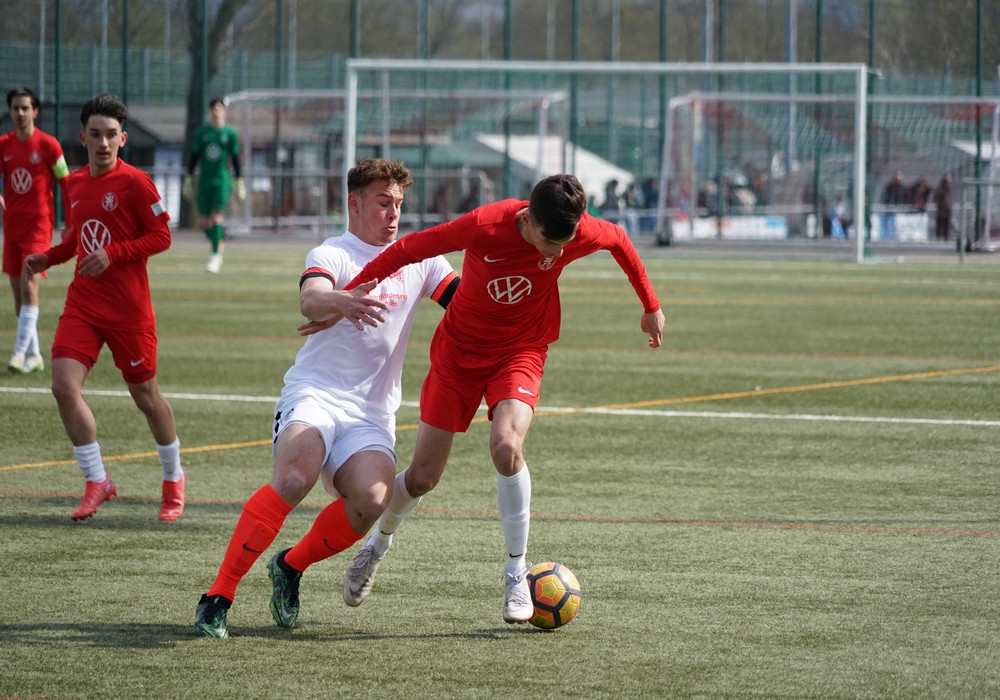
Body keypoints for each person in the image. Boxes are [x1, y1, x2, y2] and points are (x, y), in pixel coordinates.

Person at [341, 173, 664, 624]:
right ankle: (377, 545)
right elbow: (410, 248)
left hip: (521, 351)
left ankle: (516, 573)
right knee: (423, 477)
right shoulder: (484, 225)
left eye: (564, 245)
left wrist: (651, 306)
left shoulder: (575, 230)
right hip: (458, 355)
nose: (557, 254)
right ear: (527, 220)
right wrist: (354, 288)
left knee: (507, 446)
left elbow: (621, 242)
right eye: (549, 243)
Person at [193, 158, 459, 638]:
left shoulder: (420, 258)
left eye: (399, 204)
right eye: (383, 203)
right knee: (295, 476)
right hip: (315, 391)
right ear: (354, 203)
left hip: (371, 412)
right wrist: (343, 300)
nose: (394, 214)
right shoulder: (334, 252)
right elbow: (311, 298)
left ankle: (289, 566)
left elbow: (463, 301)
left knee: (372, 499)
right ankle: (218, 596)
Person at [22, 94, 185, 522]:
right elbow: (77, 239)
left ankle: (173, 479)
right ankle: (97, 480)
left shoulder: (137, 183)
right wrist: (48, 257)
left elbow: (162, 237)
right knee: (63, 386)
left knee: (146, 397)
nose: (104, 142)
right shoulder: (75, 183)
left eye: (111, 134)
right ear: (83, 138)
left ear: (123, 138)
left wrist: (115, 253)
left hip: (129, 311)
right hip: (84, 304)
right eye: (95, 134)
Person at [1, 87, 71, 373]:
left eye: (25, 108)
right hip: (12, 227)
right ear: (10, 111)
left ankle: (19, 354)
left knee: (29, 285)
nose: (20, 113)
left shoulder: (49, 145)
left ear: (35, 111)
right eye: (15, 108)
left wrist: (70, 222)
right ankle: (34, 355)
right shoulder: (4, 144)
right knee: (18, 291)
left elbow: (66, 183)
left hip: (39, 227)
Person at [184, 96, 244, 273]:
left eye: (219, 108)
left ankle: (215, 255)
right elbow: (194, 156)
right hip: (205, 179)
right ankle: (219, 242)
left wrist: (239, 181)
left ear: (224, 111)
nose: (216, 112)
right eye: (213, 109)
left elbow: (236, 158)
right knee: (204, 222)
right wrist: (188, 179)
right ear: (209, 111)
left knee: (217, 216)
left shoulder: (230, 133)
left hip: (222, 180)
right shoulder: (203, 132)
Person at [881, 171, 907, 240]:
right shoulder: (890, 187)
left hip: (901, 210)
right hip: (890, 210)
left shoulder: (903, 188)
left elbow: (906, 197)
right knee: (890, 224)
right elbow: (886, 198)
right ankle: (889, 236)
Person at [934, 174, 953, 242]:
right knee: (939, 223)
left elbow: (950, 199)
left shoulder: (949, 189)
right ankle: (938, 237)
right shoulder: (940, 189)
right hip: (941, 210)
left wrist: (950, 206)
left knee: (947, 224)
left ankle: (946, 237)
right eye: (947, 181)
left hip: (948, 210)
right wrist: (941, 206)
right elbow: (937, 199)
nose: (948, 183)